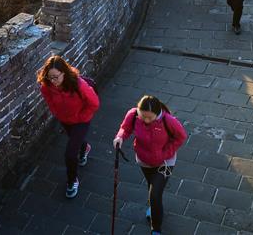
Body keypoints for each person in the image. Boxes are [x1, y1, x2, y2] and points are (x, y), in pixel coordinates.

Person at [113, 95, 188, 235]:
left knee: (154, 194)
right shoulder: (133, 114)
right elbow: (125, 128)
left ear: (157, 113)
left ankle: (156, 229)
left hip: (165, 163)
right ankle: (153, 207)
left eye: (150, 117)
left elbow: (181, 137)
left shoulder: (168, 121)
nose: (146, 120)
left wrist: (165, 153)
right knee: (151, 186)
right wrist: (120, 137)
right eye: (143, 117)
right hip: (144, 161)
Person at [38, 55, 100, 198]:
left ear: (64, 73)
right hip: (65, 119)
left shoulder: (78, 84)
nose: (52, 81)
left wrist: (81, 118)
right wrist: (58, 114)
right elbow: (50, 102)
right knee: (75, 139)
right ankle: (85, 148)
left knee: (70, 153)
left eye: (56, 77)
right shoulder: (46, 86)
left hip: (81, 120)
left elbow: (94, 103)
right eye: (49, 77)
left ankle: (72, 181)